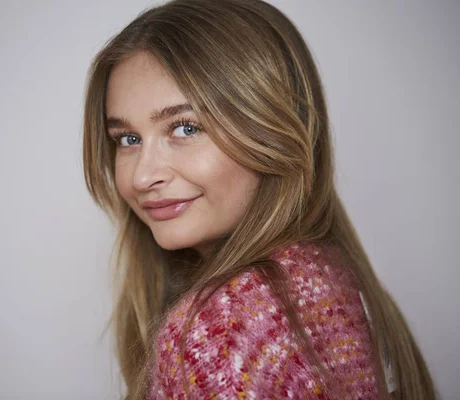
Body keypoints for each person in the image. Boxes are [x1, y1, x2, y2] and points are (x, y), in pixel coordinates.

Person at [82, 0, 435, 398]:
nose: (143, 175)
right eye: (127, 139)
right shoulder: (326, 276)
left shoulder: (221, 331)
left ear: (274, 130)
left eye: (184, 127)